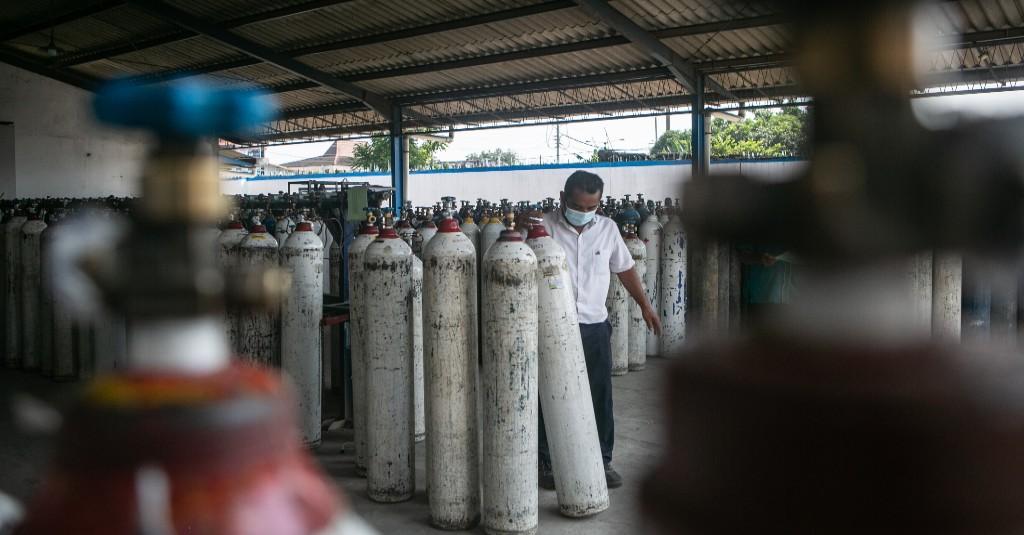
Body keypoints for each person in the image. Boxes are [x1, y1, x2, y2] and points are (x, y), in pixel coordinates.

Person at [538, 170, 662, 490]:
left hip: (594, 327)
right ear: (563, 198)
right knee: (549, 394)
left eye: (591, 206)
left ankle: (602, 460)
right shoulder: (543, 228)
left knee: (599, 395)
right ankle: (547, 462)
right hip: (553, 327)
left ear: (600, 204)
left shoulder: (607, 229)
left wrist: (645, 305)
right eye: (578, 205)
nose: (584, 212)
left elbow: (625, 269)